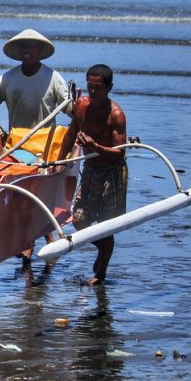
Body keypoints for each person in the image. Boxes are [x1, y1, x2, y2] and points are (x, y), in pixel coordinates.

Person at [0, 28, 73, 266]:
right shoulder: (7, 79)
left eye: (31, 47)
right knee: (23, 195)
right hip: (18, 144)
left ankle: (38, 240)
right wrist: (1, 134)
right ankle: (33, 241)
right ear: (17, 52)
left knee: (41, 194)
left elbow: (69, 108)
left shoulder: (53, 77)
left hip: (47, 144)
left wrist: (81, 109)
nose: (27, 51)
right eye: (22, 47)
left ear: (40, 51)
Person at [57, 64, 128, 285]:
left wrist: (95, 145)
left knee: (106, 226)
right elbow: (70, 134)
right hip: (90, 169)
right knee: (78, 220)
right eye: (90, 87)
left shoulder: (116, 115)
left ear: (109, 88)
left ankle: (101, 273)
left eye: (98, 88)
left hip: (111, 172)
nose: (93, 92)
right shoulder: (81, 106)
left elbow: (119, 153)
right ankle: (102, 250)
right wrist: (59, 161)